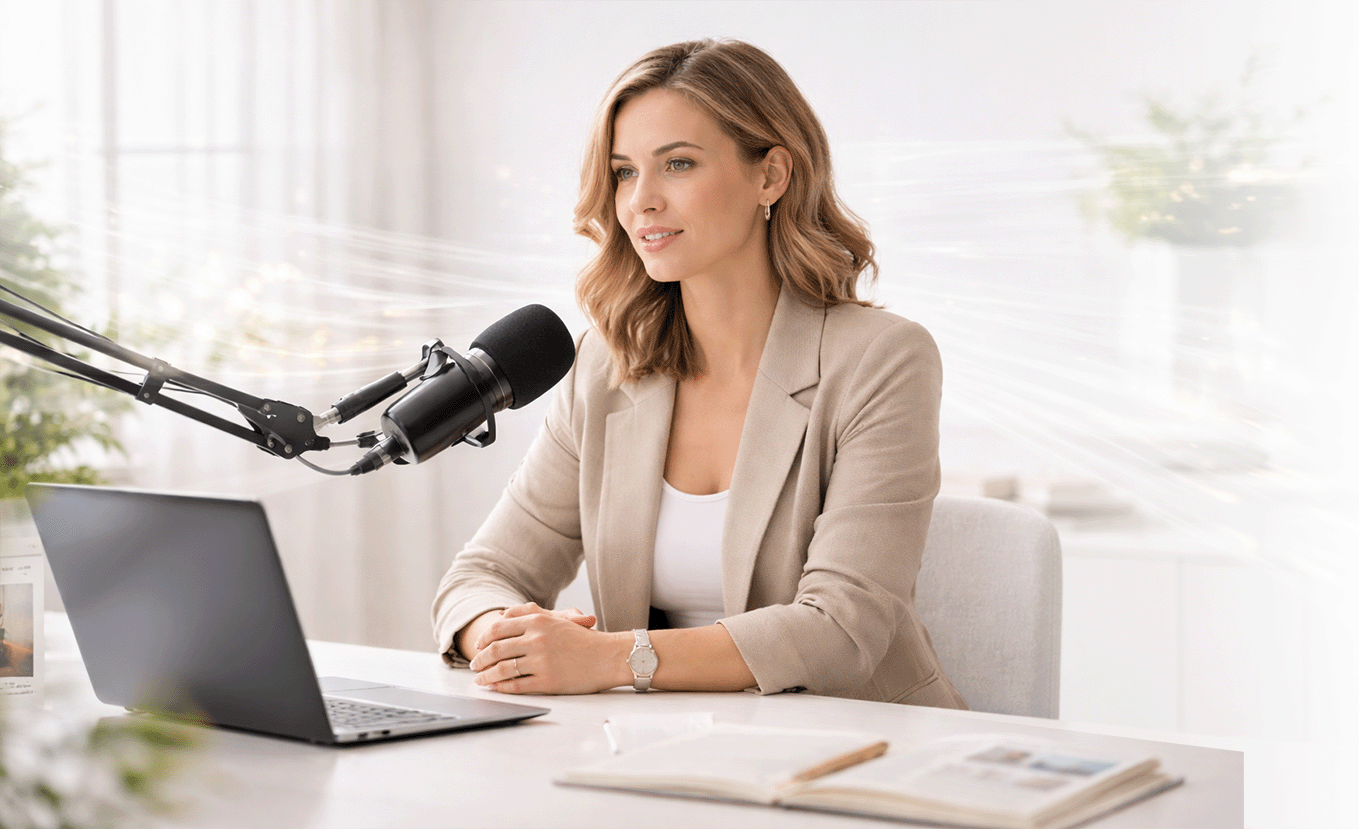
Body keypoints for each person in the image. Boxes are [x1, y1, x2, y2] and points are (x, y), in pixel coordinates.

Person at [431, 39, 966, 708]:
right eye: (624, 172)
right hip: (664, 744)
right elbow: (482, 574)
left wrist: (610, 658)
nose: (640, 202)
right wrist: (503, 637)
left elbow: (839, 629)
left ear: (771, 176)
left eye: (677, 164)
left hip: (857, 744)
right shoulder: (604, 365)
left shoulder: (882, 359)